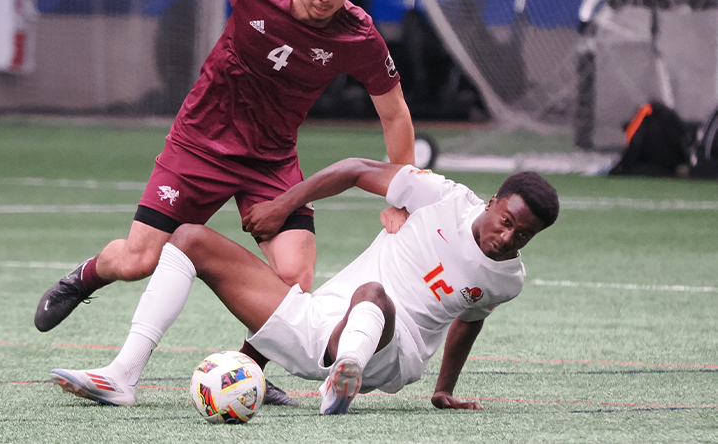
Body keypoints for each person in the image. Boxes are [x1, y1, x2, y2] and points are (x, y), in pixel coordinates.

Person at [35, 0, 415, 403]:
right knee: (137, 261)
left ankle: (247, 369)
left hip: (272, 161)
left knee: (295, 279)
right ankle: (83, 278)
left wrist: (403, 196)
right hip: (199, 146)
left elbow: (394, 115)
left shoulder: (359, 36)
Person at [48, 157, 559, 413]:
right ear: (493, 202)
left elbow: (469, 322)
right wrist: (283, 204)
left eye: (525, 235)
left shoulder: (507, 278)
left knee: (373, 295)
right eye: (508, 221)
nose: (508, 237)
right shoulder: (440, 196)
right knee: (189, 238)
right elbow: (356, 170)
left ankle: (344, 380)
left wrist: (443, 388)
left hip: (392, 357)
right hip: (316, 321)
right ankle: (122, 376)